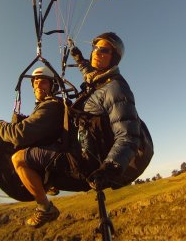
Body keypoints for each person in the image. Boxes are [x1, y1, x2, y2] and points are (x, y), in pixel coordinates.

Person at [12, 32, 152, 228]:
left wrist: (109, 168)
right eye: (95, 48)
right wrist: (77, 55)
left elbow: (128, 136)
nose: (96, 53)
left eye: (104, 50)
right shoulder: (97, 78)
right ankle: (47, 180)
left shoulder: (116, 89)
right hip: (79, 146)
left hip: (87, 161)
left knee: (19, 159)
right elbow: (86, 69)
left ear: (114, 57)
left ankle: (45, 208)